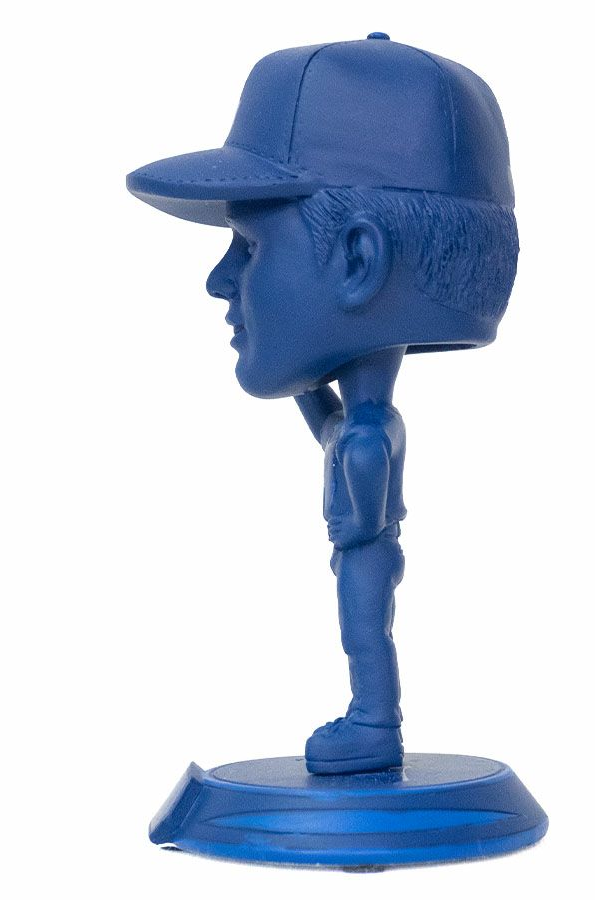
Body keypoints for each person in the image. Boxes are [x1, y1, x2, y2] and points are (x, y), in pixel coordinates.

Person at [128, 35, 519, 773]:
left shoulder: (371, 434)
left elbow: (360, 491)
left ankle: (373, 721)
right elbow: (335, 433)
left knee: (364, 635)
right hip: (365, 554)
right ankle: (371, 718)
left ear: (358, 261)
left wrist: (351, 524)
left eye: (248, 246)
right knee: (364, 634)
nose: (218, 280)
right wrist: (308, 390)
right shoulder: (365, 425)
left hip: (364, 557)